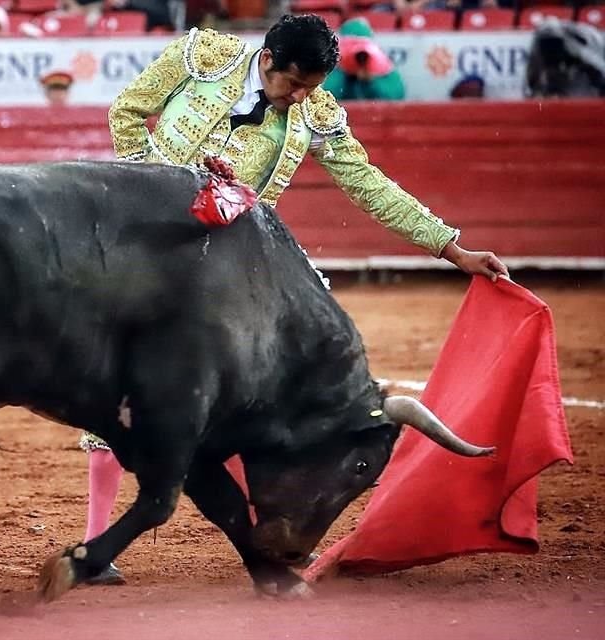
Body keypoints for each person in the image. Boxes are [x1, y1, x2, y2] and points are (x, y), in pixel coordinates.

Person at [90, 13, 509, 582]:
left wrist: (451, 248)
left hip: (235, 261)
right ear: (267, 61)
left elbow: (368, 183)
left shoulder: (315, 112)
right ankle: (97, 545)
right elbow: (127, 112)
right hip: (152, 244)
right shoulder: (203, 57)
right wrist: (146, 190)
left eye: (312, 87)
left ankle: (269, 530)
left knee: (260, 389)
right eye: (294, 84)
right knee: (122, 388)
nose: (301, 97)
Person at [322, 17, 405, 101]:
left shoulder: (382, 67)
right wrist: (344, 70)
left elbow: (396, 97)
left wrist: (371, 81)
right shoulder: (334, 69)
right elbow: (326, 99)